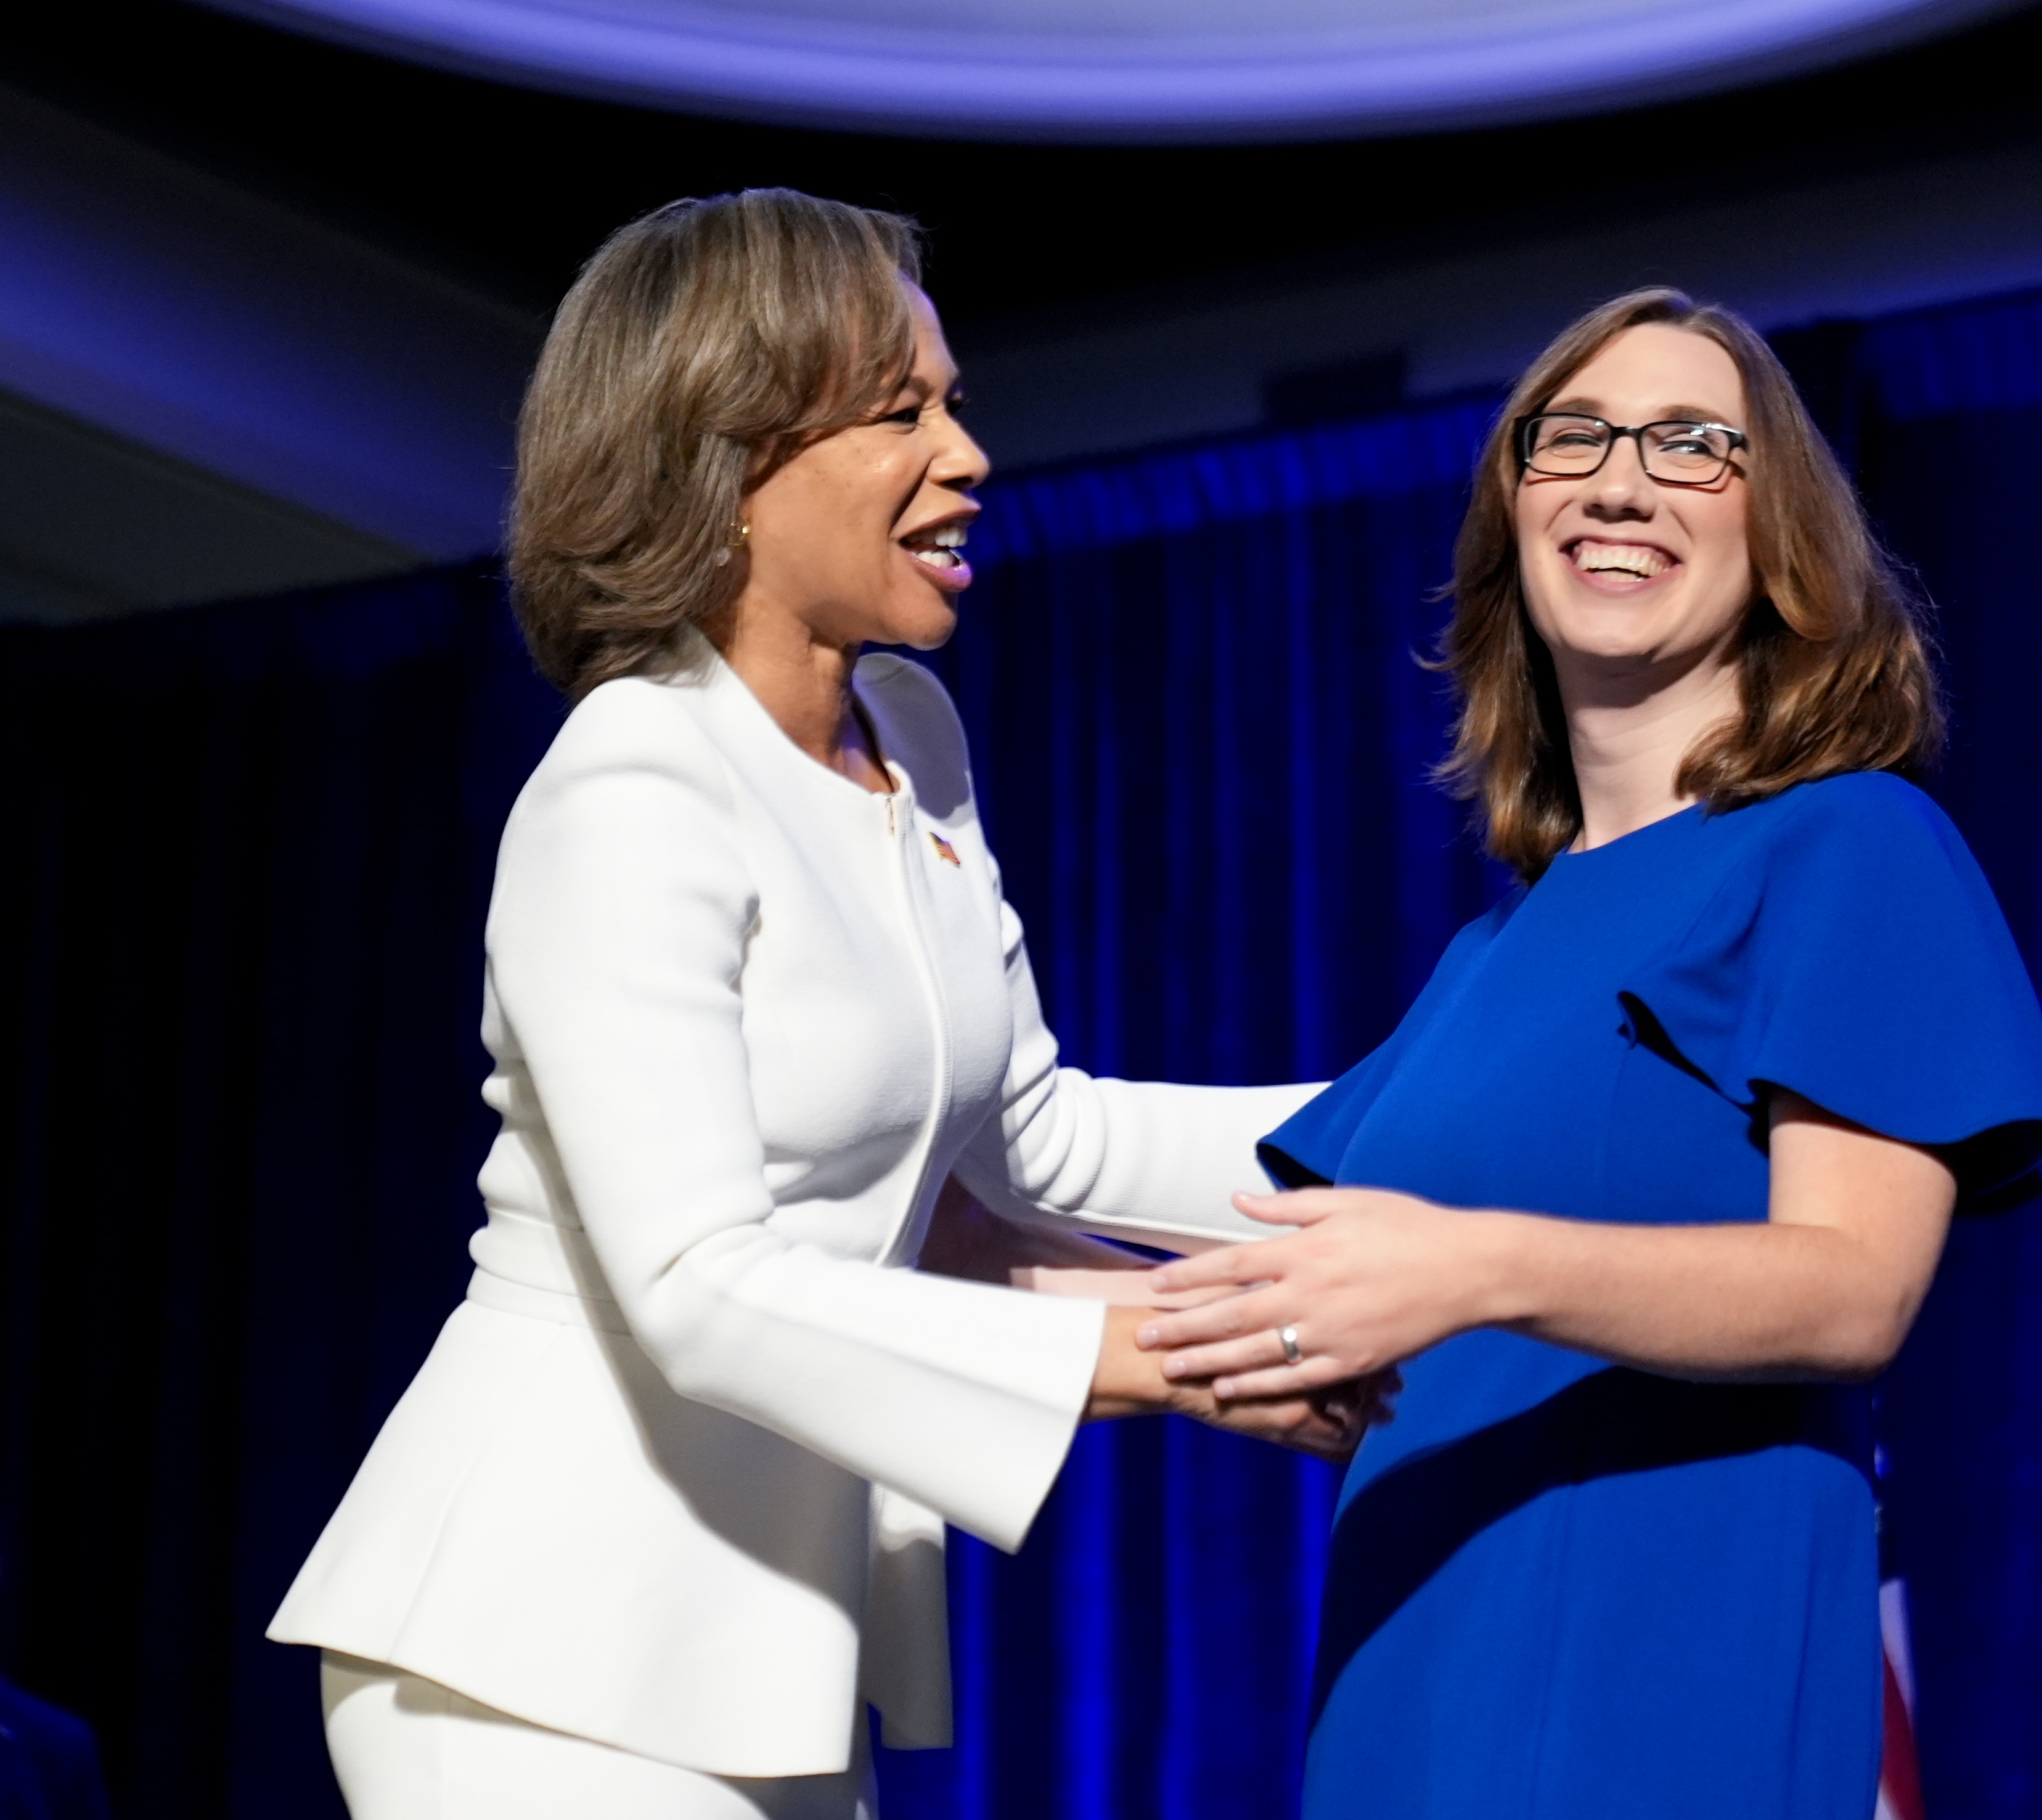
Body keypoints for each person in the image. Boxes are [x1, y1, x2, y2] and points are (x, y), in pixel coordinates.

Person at [266, 190, 1357, 1820]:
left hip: (756, 1634)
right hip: (538, 1634)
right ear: (723, 459)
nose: (967, 452)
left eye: (954, 400)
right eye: (897, 411)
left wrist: (1426, 1120)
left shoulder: (908, 732)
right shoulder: (632, 783)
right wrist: (1197, 1350)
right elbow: (699, 1282)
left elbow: (1033, 1144)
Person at [1138, 288, 2042, 1818]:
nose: (1620, 480)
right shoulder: (1489, 959)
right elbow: (1270, 1269)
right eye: (1570, 437)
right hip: (1412, 1700)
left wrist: (1475, 1269)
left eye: (1691, 446)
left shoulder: (1849, 843)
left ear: (1778, 533)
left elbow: (1855, 1287)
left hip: (1656, 1708)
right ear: (1511, 513)